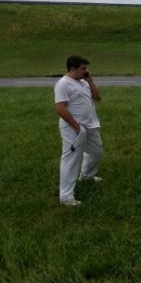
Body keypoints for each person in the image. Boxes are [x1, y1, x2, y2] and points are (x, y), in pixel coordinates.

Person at [54, 55, 104, 206]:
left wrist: (90, 81)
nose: (85, 71)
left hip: (91, 125)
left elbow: (98, 98)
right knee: (71, 160)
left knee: (97, 153)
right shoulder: (63, 84)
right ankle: (66, 197)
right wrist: (77, 127)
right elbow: (60, 108)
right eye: (83, 68)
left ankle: (87, 175)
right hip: (73, 128)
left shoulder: (83, 82)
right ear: (73, 69)